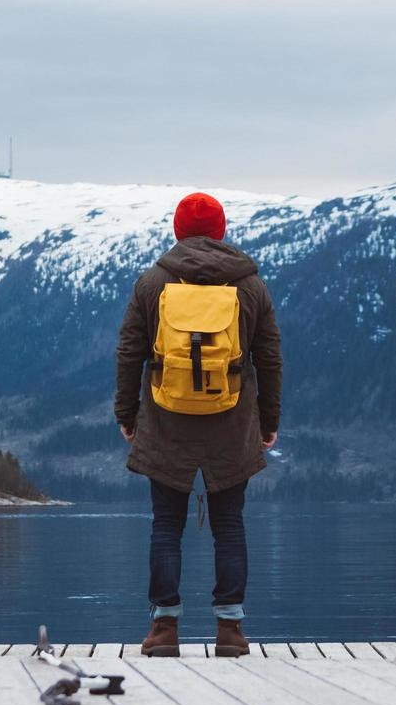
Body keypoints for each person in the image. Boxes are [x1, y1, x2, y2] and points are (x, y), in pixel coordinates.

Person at [114, 192, 282, 657]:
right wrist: (268, 422)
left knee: (166, 525)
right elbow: (269, 360)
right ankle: (230, 632)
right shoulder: (251, 287)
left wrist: (127, 416)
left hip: (167, 421)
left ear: (177, 231)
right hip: (233, 422)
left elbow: (129, 353)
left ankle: (164, 630)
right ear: (222, 231)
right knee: (230, 525)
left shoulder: (151, 284)